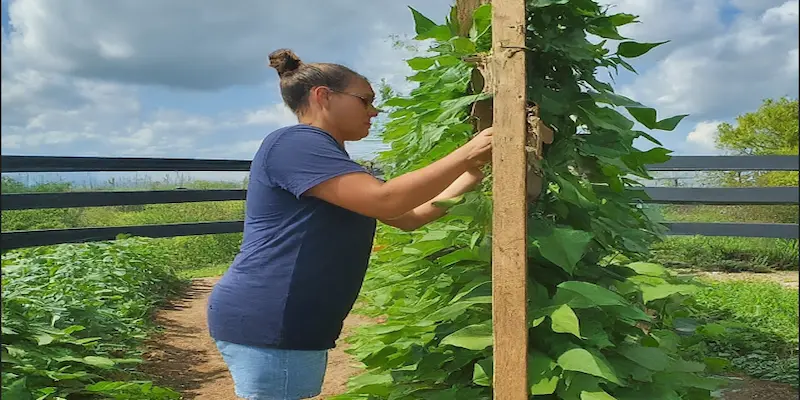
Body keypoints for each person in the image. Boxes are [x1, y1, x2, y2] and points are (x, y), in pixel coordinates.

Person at [206, 48, 494, 400]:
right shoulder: (295, 143)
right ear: (323, 96)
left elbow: (409, 218)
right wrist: (466, 152)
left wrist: (473, 174)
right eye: (365, 100)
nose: (375, 110)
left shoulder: (330, 159)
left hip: (291, 323)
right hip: (271, 318)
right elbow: (385, 199)